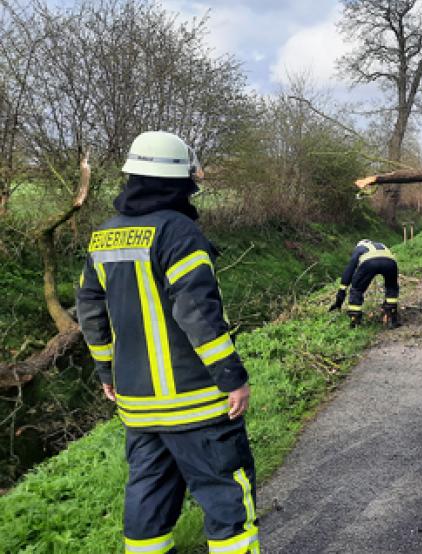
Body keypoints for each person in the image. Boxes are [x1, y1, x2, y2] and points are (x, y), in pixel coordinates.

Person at [76, 131, 259, 554]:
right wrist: (231, 377)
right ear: (179, 181)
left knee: (149, 496)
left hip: (138, 404)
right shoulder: (178, 232)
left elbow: (90, 313)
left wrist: (106, 372)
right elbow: (197, 313)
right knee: (226, 498)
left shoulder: (104, 237)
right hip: (196, 401)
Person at [330, 239, 400, 328]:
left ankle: (355, 319)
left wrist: (341, 293)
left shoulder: (359, 248)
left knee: (357, 289)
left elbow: (349, 270)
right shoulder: (381, 245)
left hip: (369, 262)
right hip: (390, 262)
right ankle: (391, 317)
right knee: (392, 287)